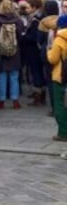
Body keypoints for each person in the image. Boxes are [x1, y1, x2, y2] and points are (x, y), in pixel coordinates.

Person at [0, 0, 24, 109]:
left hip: (1, 51)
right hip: (15, 50)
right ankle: (15, 100)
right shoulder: (18, 19)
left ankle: (1, 100)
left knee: (2, 76)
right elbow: (20, 35)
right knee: (14, 76)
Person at [46, 14, 67, 142]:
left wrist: (48, 51)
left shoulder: (59, 39)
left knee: (60, 105)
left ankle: (63, 132)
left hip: (61, 76)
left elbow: (53, 59)